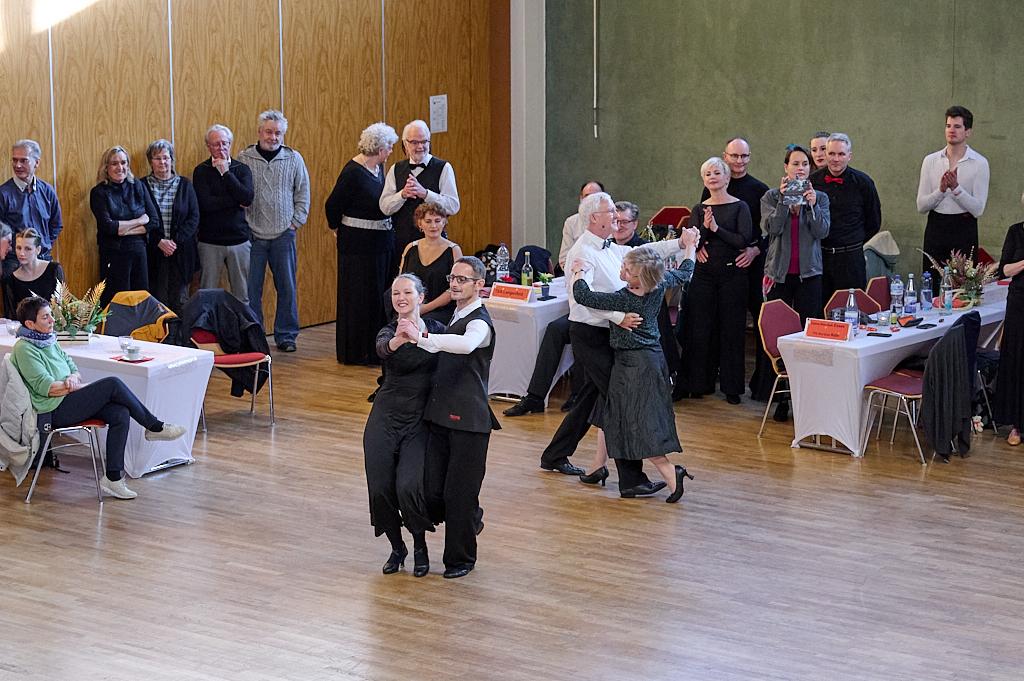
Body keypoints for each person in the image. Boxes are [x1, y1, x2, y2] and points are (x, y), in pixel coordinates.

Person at [539, 191, 691, 497]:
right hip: (591, 335)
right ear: (595, 218)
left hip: (611, 335)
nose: (617, 217)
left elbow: (643, 253)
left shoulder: (611, 247)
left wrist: (679, 244)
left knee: (598, 401)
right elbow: (580, 296)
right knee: (622, 405)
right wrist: (618, 315)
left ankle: (577, 461)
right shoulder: (583, 251)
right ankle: (631, 478)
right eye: (611, 213)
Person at [10, 296, 187, 500]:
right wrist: (72, 386)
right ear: (30, 324)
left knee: (120, 412)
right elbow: (46, 387)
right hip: (52, 410)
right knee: (112, 383)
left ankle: (113, 479)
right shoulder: (24, 348)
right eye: (45, 317)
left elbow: (72, 367)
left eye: (50, 315)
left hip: (66, 399)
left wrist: (72, 378)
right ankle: (154, 426)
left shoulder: (48, 339)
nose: (52, 320)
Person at [570, 240, 698, 501]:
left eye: (626, 270)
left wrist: (579, 271)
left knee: (636, 422)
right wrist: (690, 247)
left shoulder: (625, 298)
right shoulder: (658, 284)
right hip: (649, 359)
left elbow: (583, 295)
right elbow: (686, 270)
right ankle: (598, 466)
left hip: (634, 366)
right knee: (613, 412)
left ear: (638, 279)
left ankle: (671, 474)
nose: (621, 271)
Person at [399, 256, 499, 579]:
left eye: (462, 280)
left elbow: (467, 345)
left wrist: (424, 339)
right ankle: (471, 517)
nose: (455, 284)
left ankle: (460, 559)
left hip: (469, 421)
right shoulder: (455, 313)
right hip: (440, 416)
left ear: (479, 285)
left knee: (460, 492)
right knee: (432, 488)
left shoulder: (480, 322)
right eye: (452, 278)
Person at [363, 273, 445, 577]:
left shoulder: (436, 330)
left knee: (409, 486)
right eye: (396, 294)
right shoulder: (387, 332)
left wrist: (419, 336)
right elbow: (383, 350)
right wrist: (401, 337)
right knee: (381, 488)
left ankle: (420, 546)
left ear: (421, 297)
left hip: (419, 418)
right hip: (385, 415)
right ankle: (397, 548)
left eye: (407, 293)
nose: (401, 298)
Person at [501, 181, 605, 418]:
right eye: (585, 197)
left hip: (603, 310)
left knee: (580, 329)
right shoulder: (573, 223)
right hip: (580, 301)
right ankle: (535, 396)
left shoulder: (614, 231)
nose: (589, 202)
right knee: (554, 329)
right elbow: (565, 260)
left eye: (595, 197)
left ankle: (580, 394)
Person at [700, 137, 771, 400]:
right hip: (717, 267)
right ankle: (709, 379)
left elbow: (768, 231)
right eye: (734, 156)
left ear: (749, 158)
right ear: (725, 156)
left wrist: (754, 250)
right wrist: (698, 247)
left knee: (755, 322)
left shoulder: (759, 189)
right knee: (714, 322)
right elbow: (701, 223)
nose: (739, 161)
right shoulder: (710, 185)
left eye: (744, 156)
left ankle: (759, 385)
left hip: (750, 263)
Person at [679, 157, 753, 404]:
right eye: (707, 174)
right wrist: (698, 244)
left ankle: (732, 388)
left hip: (733, 274)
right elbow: (691, 240)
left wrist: (715, 228)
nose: (712, 177)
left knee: (732, 330)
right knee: (700, 328)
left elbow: (743, 240)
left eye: (716, 173)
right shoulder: (698, 209)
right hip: (704, 275)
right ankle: (699, 382)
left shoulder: (740, 206)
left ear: (726, 177)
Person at [325, 122, 399, 365]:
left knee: (376, 296)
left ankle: (375, 347)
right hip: (358, 248)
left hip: (378, 245)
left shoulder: (378, 170)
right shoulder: (353, 172)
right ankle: (358, 351)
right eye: (388, 147)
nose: (390, 151)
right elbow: (332, 206)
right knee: (359, 298)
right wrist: (338, 229)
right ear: (378, 148)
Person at [237, 110, 311, 352]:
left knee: (287, 288)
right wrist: (245, 224)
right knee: (251, 291)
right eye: (269, 131)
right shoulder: (244, 158)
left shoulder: (294, 158)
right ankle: (255, 338)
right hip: (253, 236)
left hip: (283, 234)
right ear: (259, 132)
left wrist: (294, 223)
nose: (273, 137)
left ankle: (286, 336)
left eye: (278, 132)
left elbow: (303, 194)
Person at [760, 145, 831, 321]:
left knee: (807, 325)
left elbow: (822, 232)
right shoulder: (771, 196)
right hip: (779, 273)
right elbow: (772, 229)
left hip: (809, 273)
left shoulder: (820, 197)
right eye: (796, 163)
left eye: (805, 164)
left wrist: (812, 205)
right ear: (786, 167)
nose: (801, 168)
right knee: (779, 324)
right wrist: (783, 202)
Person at [916, 105, 989, 272]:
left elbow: (978, 209)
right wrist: (941, 190)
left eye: (957, 126)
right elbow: (921, 206)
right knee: (933, 281)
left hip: (964, 227)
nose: (951, 130)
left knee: (962, 285)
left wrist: (956, 189)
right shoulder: (930, 160)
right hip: (936, 225)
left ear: (968, 131)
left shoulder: (979, 163)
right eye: (948, 126)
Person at [380, 120, 460, 270]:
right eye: (414, 142)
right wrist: (402, 195)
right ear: (405, 144)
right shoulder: (395, 169)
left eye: (424, 141)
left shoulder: (443, 168)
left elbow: (453, 206)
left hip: (435, 243)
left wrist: (425, 194)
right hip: (401, 243)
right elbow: (385, 207)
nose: (420, 147)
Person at [810, 133, 881, 297]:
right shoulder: (812, 182)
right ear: (826, 154)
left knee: (852, 308)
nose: (836, 159)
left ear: (849, 156)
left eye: (841, 154)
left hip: (851, 258)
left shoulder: (864, 183)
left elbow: (874, 222)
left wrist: (853, 241)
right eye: (832, 153)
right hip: (820, 257)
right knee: (821, 309)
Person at [89, 145, 159, 307]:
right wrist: (139, 221)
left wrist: (123, 229)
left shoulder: (138, 186)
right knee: (116, 302)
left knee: (141, 300)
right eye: (114, 163)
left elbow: (153, 220)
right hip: (114, 254)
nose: (120, 167)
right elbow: (109, 227)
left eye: (123, 162)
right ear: (106, 167)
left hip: (139, 252)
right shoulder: (99, 192)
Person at [193, 124, 254, 305]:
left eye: (224, 143)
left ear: (230, 144)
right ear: (208, 146)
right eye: (216, 144)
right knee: (207, 295)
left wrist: (226, 173)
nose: (221, 148)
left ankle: (242, 333)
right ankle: (207, 333)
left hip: (239, 241)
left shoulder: (241, 169)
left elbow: (247, 198)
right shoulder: (201, 171)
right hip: (210, 242)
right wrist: (235, 201)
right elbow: (205, 204)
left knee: (242, 296)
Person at [142, 139, 199, 315]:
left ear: (172, 159)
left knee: (180, 301)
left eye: (166, 157)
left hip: (180, 252)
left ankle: (179, 341)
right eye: (157, 158)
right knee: (156, 302)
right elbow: (140, 217)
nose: (162, 162)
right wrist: (159, 241)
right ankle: (159, 340)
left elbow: (194, 217)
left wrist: (173, 243)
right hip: (153, 252)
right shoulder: (141, 186)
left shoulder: (185, 184)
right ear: (150, 162)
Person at [0, 139, 63, 279]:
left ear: (37, 162)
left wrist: (40, 245)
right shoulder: (3, 194)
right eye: (14, 160)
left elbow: (56, 224)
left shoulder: (47, 191)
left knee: (49, 301)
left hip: (43, 258)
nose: (18, 165)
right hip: (14, 263)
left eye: (24, 161)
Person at [398, 202, 464, 323]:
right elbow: (401, 282)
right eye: (428, 221)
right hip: (412, 306)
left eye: (437, 221)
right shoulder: (410, 248)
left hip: (442, 310)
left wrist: (424, 309)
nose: (433, 225)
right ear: (420, 224)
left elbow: (456, 288)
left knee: (422, 324)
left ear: (444, 222)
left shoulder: (454, 250)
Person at [995, 222, 1024, 447]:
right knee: (1017, 360)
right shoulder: (1016, 231)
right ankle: (1017, 425)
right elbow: (1003, 270)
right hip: (1019, 302)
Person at [4, 228, 65, 314]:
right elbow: (11, 315)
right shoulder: (11, 279)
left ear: (38, 250)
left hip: (53, 324)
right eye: (18, 248)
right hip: (25, 326)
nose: (21, 253)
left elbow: (62, 305)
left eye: (27, 249)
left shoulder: (54, 270)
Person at [558, 180, 605, 271]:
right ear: (581, 199)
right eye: (587, 196)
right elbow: (564, 259)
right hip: (576, 272)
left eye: (595, 196)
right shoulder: (571, 222)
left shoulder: (611, 221)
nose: (591, 200)